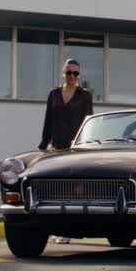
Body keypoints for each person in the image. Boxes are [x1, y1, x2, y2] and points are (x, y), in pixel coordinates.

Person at [40, 59, 94, 245]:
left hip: (77, 149)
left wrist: (89, 144)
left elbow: (90, 121)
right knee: (55, 190)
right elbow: (48, 120)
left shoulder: (84, 95)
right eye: (69, 72)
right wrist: (43, 144)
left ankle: (70, 229)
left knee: (74, 190)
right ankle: (55, 227)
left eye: (75, 73)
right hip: (57, 148)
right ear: (63, 73)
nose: (72, 76)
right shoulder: (53, 94)